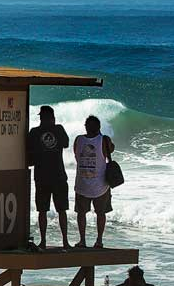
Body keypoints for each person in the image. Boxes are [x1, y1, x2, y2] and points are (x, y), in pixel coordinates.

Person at [27, 105, 71, 250]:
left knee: (43, 210)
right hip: (58, 175)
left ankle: (44, 241)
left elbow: (28, 152)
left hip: (42, 176)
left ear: (42, 117)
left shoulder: (34, 132)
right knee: (61, 210)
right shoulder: (58, 129)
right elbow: (65, 143)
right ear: (53, 117)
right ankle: (64, 242)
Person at [73, 115, 115, 249]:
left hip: (82, 184)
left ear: (86, 126)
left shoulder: (78, 140)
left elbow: (76, 155)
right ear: (99, 127)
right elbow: (111, 149)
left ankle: (82, 241)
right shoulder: (103, 140)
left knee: (81, 213)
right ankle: (99, 241)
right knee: (100, 213)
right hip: (101, 184)